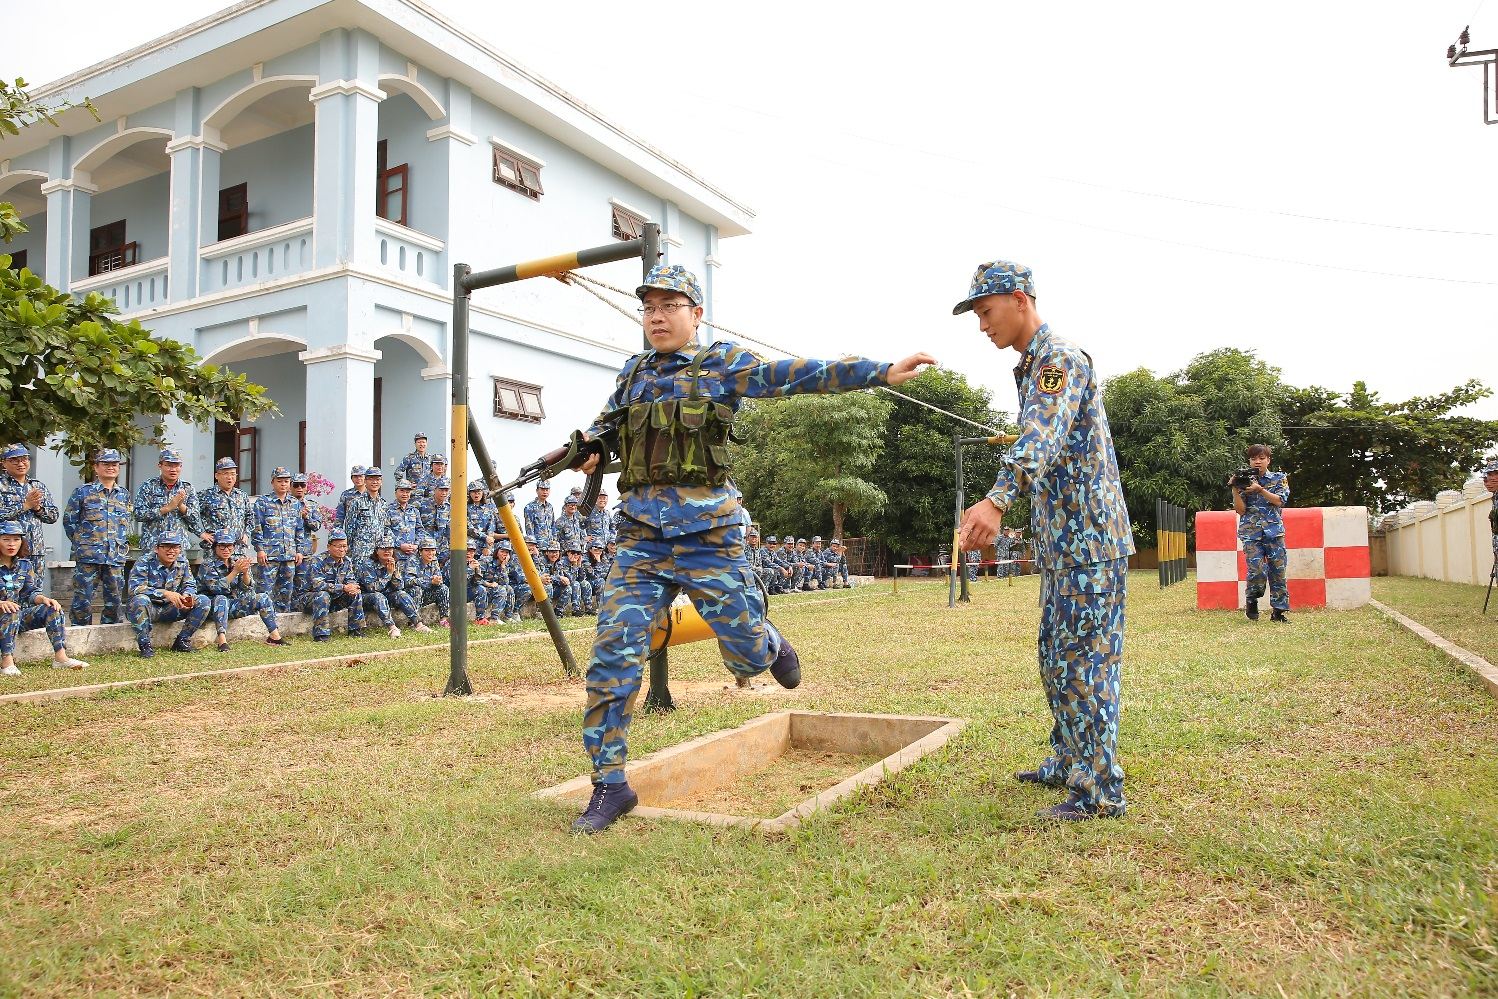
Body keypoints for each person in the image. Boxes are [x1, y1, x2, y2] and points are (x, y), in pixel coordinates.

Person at [568, 263, 933, 833]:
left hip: (709, 537)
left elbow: (796, 375)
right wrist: (590, 447)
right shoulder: (633, 373)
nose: (657, 316)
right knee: (612, 656)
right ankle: (610, 785)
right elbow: (610, 427)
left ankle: (766, 640)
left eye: (671, 305)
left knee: (745, 652)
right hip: (640, 539)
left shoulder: (723, 365)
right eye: (649, 307)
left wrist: (879, 371)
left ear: (696, 314)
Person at [953, 259, 1134, 822]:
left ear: (1020, 299)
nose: (983, 325)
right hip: (1066, 545)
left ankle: (1101, 790)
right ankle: (1067, 761)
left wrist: (997, 498)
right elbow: (1046, 436)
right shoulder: (1034, 367)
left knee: (1085, 665)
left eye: (986, 311)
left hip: (1090, 543)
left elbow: (1040, 439)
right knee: (1057, 659)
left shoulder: (1057, 359)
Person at [0, 520, 88, 675]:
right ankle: (7, 662)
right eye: (6, 539)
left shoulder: (24, 565)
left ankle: (60, 658)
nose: (11, 544)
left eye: (16, 539)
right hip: (6, 615)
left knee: (51, 608)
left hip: (15, 617)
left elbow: (30, 592)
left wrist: (44, 599)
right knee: (10, 610)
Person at [63, 448, 132, 626]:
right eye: (106, 464)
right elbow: (69, 522)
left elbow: (125, 523)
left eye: (114, 464)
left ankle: (109, 635)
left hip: (115, 556)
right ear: (96, 467)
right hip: (88, 555)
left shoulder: (124, 494)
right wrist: (83, 544)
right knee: (83, 599)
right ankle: (78, 634)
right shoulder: (83, 492)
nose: (111, 467)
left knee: (115, 599)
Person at [126, 531, 211, 658]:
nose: (171, 551)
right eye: (166, 546)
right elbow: (135, 588)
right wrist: (165, 593)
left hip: (172, 608)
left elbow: (190, 584)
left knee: (203, 600)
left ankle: (182, 641)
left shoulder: (182, 562)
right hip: (149, 609)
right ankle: (145, 645)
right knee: (140, 600)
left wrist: (187, 596)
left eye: (175, 547)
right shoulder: (144, 562)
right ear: (157, 548)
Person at [197, 530, 286, 652]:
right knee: (221, 598)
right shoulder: (207, 565)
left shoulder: (236, 562)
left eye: (229, 545)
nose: (226, 549)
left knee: (262, 597)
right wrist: (235, 572)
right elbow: (216, 589)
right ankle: (222, 641)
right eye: (222, 545)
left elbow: (247, 588)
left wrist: (244, 573)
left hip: (232, 605)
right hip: (212, 607)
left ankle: (274, 636)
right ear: (215, 547)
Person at [1232, 444, 1291, 623]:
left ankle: (1279, 612)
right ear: (1249, 461)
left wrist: (1260, 490)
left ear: (1268, 460)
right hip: (1251, 533)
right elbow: (1240, 510)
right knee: (1256, 570)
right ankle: (1252, 599)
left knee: (1278, 572)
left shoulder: (1279, 478)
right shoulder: (1244, 480)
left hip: (1274, 533)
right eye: (1253, 459)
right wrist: (1235, 489)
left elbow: (1280, 501)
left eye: (1261, 458)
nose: (1257, 461)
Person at [252, 467, 306, 612]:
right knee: (265, 590)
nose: (283, 484)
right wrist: (260, 550)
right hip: (269, 555)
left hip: (289, 555)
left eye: (286, 481)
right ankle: (263, 621)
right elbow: (257, 528)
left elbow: (299, 529)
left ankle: (282, 625)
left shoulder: (295, 504)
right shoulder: (263, 502)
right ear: (272, 482)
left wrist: (299, 551)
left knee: (286, 592)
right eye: (280, 481)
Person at [298, 528, 367, 641]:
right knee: (322, 595)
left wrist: (352, 587)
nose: (342, 549)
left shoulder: (347, 561)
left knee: (355, 593)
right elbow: (317, 585)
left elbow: (350, 579)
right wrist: (344, 587)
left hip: (333, 598)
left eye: (344, 546)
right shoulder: (317, 561)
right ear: (329, 546)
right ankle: (321, 635)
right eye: (338, 546)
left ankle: (356, 630)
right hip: (310, 600)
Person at [0, 443, 59, 569]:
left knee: (35, 588)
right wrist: (25, 506)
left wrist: (38, 508)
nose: (21, 464)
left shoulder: (37, 486)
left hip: (35, 551)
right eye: (14, 460)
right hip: (8, 553)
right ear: (4, 463)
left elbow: (53, 517)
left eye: (24, 459)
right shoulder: (1, 486)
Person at [357, 535, 428, 638]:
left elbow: (399, 587)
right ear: (377, 551)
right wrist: (388, 574)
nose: (387, 551)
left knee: (402, 594)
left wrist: (394, 573)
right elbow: (372, 589)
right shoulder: (368, 564)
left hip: (386, 596)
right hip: (367, 597)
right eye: (383, 548)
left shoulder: (394, 562)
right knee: (378, 596)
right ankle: (392, 628)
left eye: (389, 548)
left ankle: (419, 625)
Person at [134, 449, 202, 553]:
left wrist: (181, 506)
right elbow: (138, 514)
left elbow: (195, 518)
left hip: (178, 547)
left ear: (181, 467)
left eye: (176, 465)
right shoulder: (148, 486)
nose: (173, 469)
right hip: (153, 546)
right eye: (169, 465)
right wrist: (167, 508)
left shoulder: (187, 488)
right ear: (160, 466)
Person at [198, 457, 254, 557]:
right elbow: (189, 515)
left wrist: (246, 534)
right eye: (226, 473)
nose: (230, 477)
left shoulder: (242, 495)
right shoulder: (205, 495)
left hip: (238, 551)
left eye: (233, 474)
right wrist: (201, 533)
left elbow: (250, 517)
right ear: (217, 475)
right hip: (215, 552)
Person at [344, 467, 391, 562]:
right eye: (371, 479)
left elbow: (386, 528)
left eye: (377, 479)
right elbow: (349, 529)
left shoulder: (383, 504)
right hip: (361, 553)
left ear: (381, 482)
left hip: (378, 553)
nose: (374, 482)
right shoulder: (356, 502)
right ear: (365, 481)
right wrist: (351, 550)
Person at [407, 536, 451, 626]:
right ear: (420, 551)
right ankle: (414, 621)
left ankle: (444, 620)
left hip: (426, 594)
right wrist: (429, 581)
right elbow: (408, 581)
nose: (430, 553)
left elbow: (439, 578)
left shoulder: (434, 560)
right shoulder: (412, 561)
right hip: (412, 596)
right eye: (427, 550)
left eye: (433, 550)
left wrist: (438, 581)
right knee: (416, 589)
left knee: (444, 588)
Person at [524, 480, 557, 549]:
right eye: (542, 489)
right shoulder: (530, 507)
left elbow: (553, 525)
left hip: (551, 548)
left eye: (547, 489)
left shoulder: (550, 507)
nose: (545, 492)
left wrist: (555, 541)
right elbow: (529, 528)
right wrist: (533, 546)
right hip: (538, 547)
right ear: (537, 490)